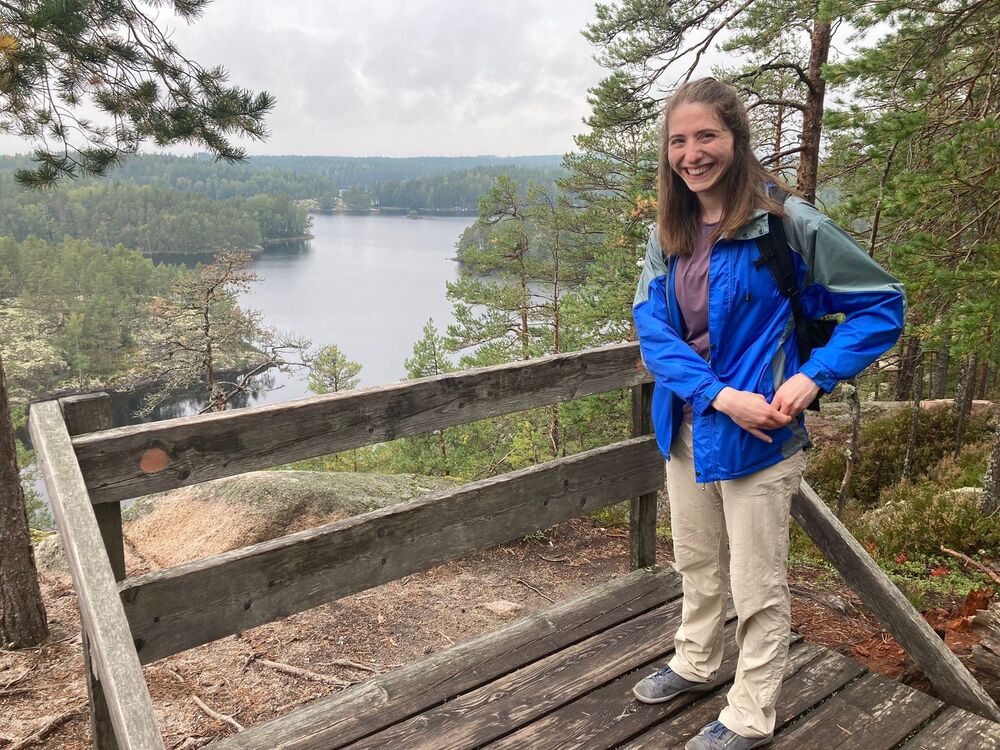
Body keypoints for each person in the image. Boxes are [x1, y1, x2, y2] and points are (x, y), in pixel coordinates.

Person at [630, 77, 905, 750]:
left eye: (706, 137)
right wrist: (720, 395)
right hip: (691, 421)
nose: (691, 154)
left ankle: (750, 714)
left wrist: (813, 376)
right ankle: (697, 662)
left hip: (763, 437)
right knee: (697, 560)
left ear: (735, 139)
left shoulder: (788, 223)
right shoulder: (669, 228)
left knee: (756, 581)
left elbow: (881, 306)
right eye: (678, 141)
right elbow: (652, 329)